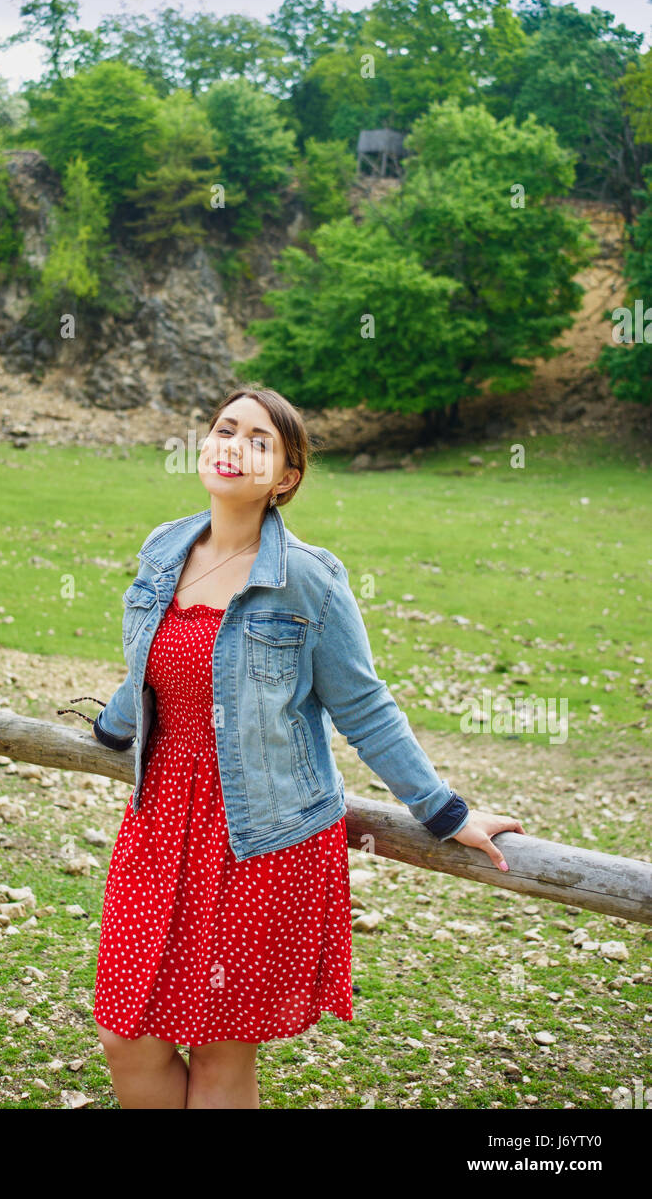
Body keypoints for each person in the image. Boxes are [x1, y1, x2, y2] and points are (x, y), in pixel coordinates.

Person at [90, 384, 525, 1109]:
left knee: (222, 1054)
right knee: (127, 1035)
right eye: (224, 429)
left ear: (286, 477)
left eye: (259, 440)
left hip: (264, 837)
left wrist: (448, 813)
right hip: (159, 822)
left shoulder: (310, 580)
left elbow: (365, 708)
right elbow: (153, 664)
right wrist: (111, 727)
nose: (233, 445)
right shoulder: (164, 547)